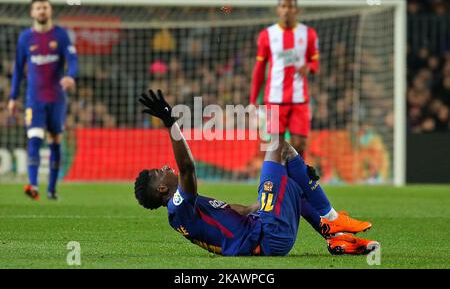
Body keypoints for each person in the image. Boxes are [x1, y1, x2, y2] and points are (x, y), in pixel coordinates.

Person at [134, 89, 380, 256]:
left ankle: (334, 238)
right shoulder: (178, 208)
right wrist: (171, 123)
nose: (166, 167)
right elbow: (187, 167)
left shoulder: (187, 209)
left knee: (295, 182)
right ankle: (332, 217)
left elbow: (233, 210)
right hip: (267, 237)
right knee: (277, 147)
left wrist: (263, 203)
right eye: (160, 171)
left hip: (266, 230)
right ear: (162, 189)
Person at [8, 0, 78, 200]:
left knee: (55, 139)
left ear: (50, 10)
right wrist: (13, 97)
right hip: (34, 99)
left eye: (45, 7)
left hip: (57, 99)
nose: (42, 11)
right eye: (38, 8)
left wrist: (70, 76)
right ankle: (33, 185)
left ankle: (52, 188)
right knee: (35, 137)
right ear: (32, 12)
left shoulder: (61, 35)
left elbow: (73, 60)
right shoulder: (25, 38)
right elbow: (19, 69)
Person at [250, 0, 319, 158]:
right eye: (283, 6)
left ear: (297, 10)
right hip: (274, 98)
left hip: (299, 99)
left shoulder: (308, 34)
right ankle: (277, 182)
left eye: (290, 6)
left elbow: (315, 62)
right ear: (278, 10)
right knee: (276, 146)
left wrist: (309, 67)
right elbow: (259, 68)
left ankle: (296, 182)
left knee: (299, 144)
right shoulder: (267, 35)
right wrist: (253, 100)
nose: (287, 10)